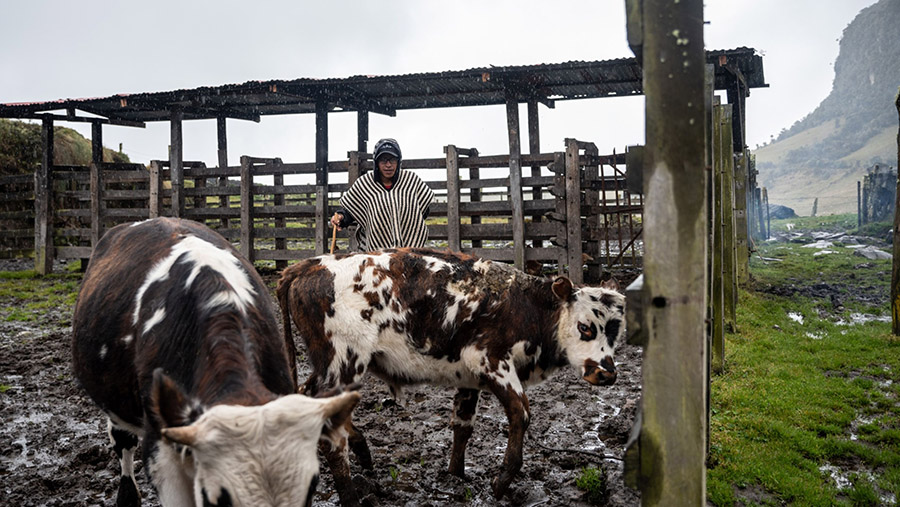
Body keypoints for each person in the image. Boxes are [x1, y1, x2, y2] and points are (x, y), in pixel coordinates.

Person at [331, 138, 434, 251]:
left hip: (409, 251)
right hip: (375, 252)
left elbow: (424, 210)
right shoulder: (365, 184)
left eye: (392, 160)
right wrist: (341, 217)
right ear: (376, 163)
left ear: (399, 161)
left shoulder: (411, 180)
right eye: (383, 160)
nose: (388, 165)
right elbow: (352, 209)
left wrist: (405, 221)